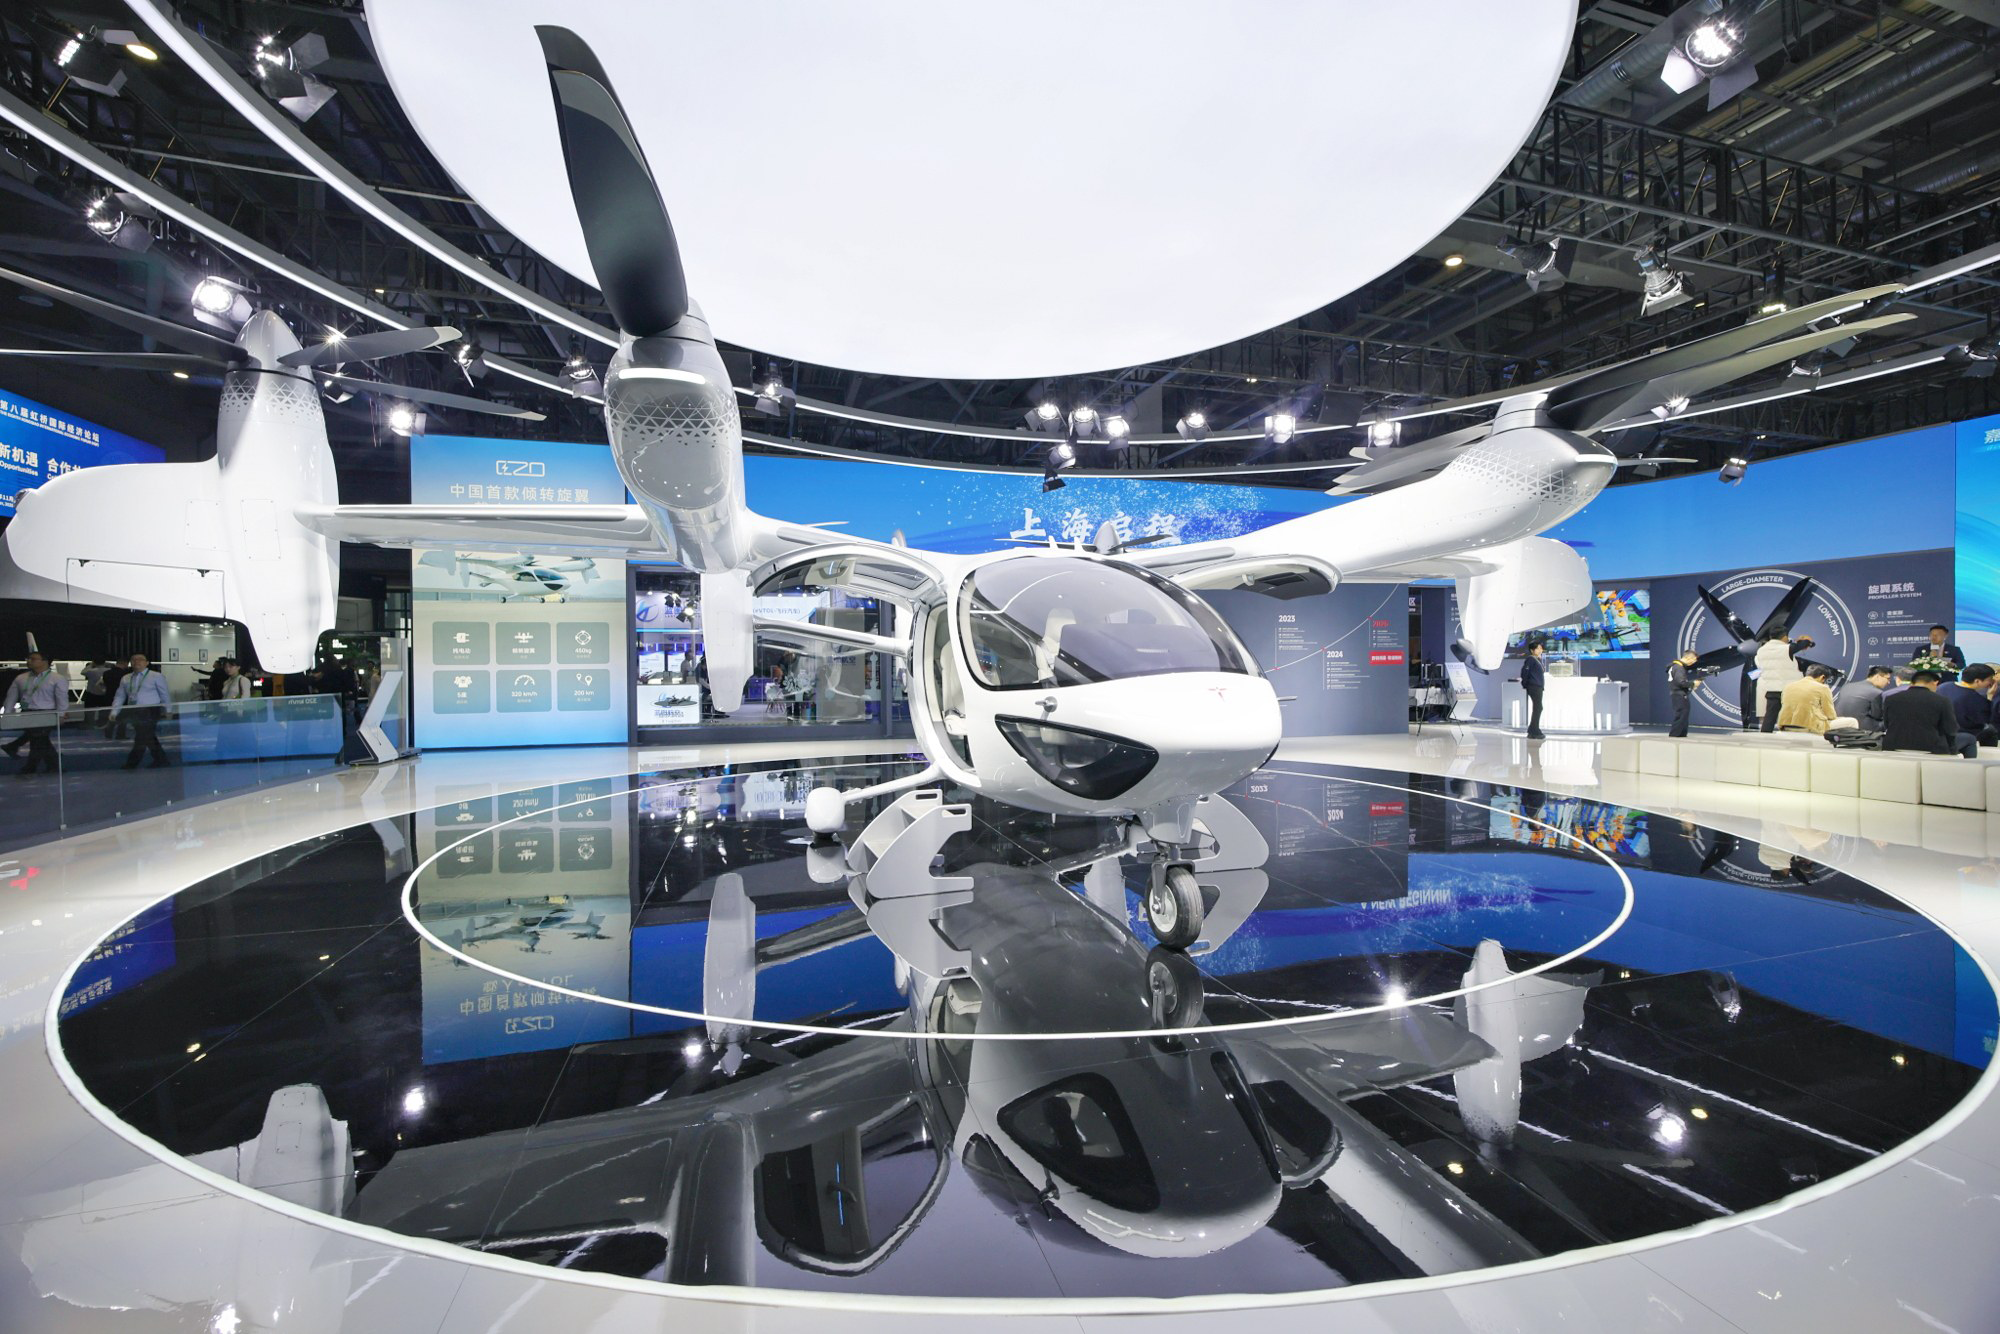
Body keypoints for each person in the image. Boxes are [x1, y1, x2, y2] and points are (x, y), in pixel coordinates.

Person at [2, 652, 70, 776]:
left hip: (47, 713)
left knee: (38, 739)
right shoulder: (21, 678)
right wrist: (7, 714)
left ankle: (29, 766)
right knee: (40, 739)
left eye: (33, 659)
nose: (29, 661)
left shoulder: (57, 678)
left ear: (45, 661)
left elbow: (62, 698)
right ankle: (53, 766)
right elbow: (11, 696)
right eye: (28, 658)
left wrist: (61, 714)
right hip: (27, 712)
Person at [1882, 669, 1976, 758]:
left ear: (1913, 682)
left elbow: (1887, 724)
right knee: (1970, 738)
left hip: (1893, 745)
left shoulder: (1891, 699)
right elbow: (1950, 728)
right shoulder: (1942, 700)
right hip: (1931, 747)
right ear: (1934, 683)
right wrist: (1952, 749)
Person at [109, 653, 172, 769]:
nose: (137, 661)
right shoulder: (126, 678)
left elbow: (164, 694)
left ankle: (132, 763)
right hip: (133, 711)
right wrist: (114, 712)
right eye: (134, 660)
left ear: (147, 663)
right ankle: (161, 760)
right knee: (148, 736)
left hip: (151, 710)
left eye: (140, 659)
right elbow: (120, 696)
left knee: (141, 737)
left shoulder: (156, 676)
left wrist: (168, 710)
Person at [1754, 631, 1803, 733]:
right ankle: (1791, 735)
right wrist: (1804, 641)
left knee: (1769, 716)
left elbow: (1760, 670)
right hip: (1788, 689)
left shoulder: (1760, 652)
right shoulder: (1785, 649)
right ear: (1784, 637)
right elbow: (1804, 644)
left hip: (1771, 688)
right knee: (1793, 715)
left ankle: (1765, 735)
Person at [1940, 662, 1999, 746]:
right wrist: (1990, 697)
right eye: (1989, 680)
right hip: (1961, 730)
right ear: (1977, 681)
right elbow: (1987, 719)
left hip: (1940, 728)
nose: (1991, 683)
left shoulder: (1944, 686)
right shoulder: (1975, 698)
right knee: (1991, 730)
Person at [1777, 664, 1838, 735]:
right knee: (1848, 722)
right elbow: (1830, 715)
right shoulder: (1823, 688)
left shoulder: (1788, 686)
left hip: (1785, 725)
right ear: (1822, 677)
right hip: (1810, 726)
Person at [1835, 665, 1895, 732]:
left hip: (1840, 725)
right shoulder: (1877, 692)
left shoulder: (1847, 686)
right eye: (1888, 679)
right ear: (1877, 677)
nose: (1888, 682)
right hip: (1862, 728)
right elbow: (1877, 715)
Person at [1666, 649, 1699, 737]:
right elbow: (1681, 682)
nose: (1693, 663)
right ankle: (1675, 734)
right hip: (1679, 694)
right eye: (1693, 660)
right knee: (1681, 715)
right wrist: (1693, 684)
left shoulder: (1674, 666)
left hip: (1677, 694)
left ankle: (1681, 734)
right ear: (1688, 658)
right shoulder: (1679, 667)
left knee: (1683, 714)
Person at [1520, 640, 1547, 740]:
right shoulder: (1530, 659)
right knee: (1538, 708)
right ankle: (1534, 730)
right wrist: (1525, 684)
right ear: (1532, 650)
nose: (1540, 650)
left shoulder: (1537, 659)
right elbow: (1525, 672)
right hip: (1534, 686)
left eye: (1541, 648)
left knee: (1538, 708)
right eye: (1538, 648)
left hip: (1538, 686)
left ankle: (1532, 730)